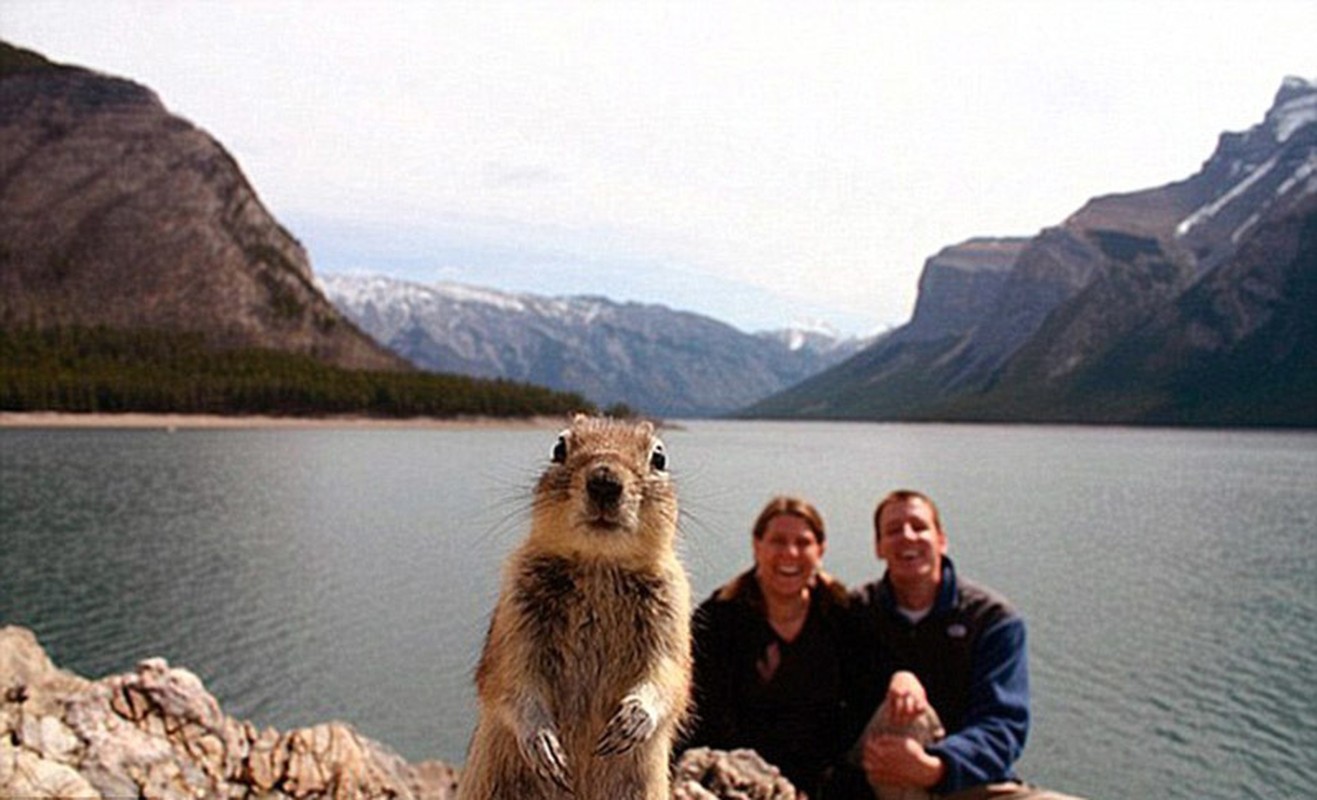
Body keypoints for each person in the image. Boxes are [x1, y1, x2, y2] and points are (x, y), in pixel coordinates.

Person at [848, 490, 1084, 800]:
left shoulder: (991, 620)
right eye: (893, 530)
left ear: (941, 540)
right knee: (906, 718)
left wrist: (936, 767)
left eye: (919, 527)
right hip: (877, 780)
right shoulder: (855, 611)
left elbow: (1003, 726)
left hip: (966, 783)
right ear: (879, 547)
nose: (907, 537)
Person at [683, 496, 864, 798]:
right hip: (737, 778)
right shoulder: (718, 620)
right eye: (778, 540)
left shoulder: (841, 615)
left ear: (820, 550)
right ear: (757, 545)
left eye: (803, 542)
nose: (790, 553)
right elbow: (701, 717)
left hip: (825, 780)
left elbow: (868, 692)